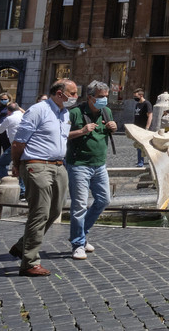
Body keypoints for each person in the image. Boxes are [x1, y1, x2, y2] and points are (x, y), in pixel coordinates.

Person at [9, 79, 79, 277]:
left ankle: (21, 246)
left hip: (58, 165)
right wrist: (17, 165)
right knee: (39, 213)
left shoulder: (64, 113)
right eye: (72, 93)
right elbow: (18, 142)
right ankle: (29, 262)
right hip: (37, 165)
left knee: (55, 211)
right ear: (59, 93)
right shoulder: (38, 110)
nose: (75, 97)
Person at [66, 80, 118, 260]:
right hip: (78, 164)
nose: (105, 100)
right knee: (79, 205)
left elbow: (107, 130)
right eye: (101, 97)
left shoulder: (106, 111)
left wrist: (113, 127)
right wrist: (82, 131)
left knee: (104, 200)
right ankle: (78, 244)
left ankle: (81, 233)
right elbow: (61, 135)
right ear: (90, 97)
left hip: (100, 163)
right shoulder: (74, 113)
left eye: (106, 96)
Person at [133, 89, 151, 167]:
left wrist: (147, 127)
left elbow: (150, 115)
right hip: (137, 127)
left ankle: (142, 162)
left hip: (143, 128)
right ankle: (140, 161)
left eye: (136, 96)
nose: (135, 98)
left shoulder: (147, 104)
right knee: (138, 146)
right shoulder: (137, 104)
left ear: (141, 95)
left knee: (143, 146)